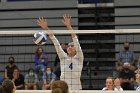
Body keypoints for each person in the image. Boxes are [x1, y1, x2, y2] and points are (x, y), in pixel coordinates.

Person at [37, 14, 84, 90]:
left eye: (72, 46)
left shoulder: (79, 57)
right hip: (64, 89)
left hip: (77, 89)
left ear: (76, 49)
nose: (69, 47)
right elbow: (55, 41)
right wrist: (46, 28)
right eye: (68, 46)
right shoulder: (63, 57)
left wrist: (69, 27)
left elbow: (75, 39)